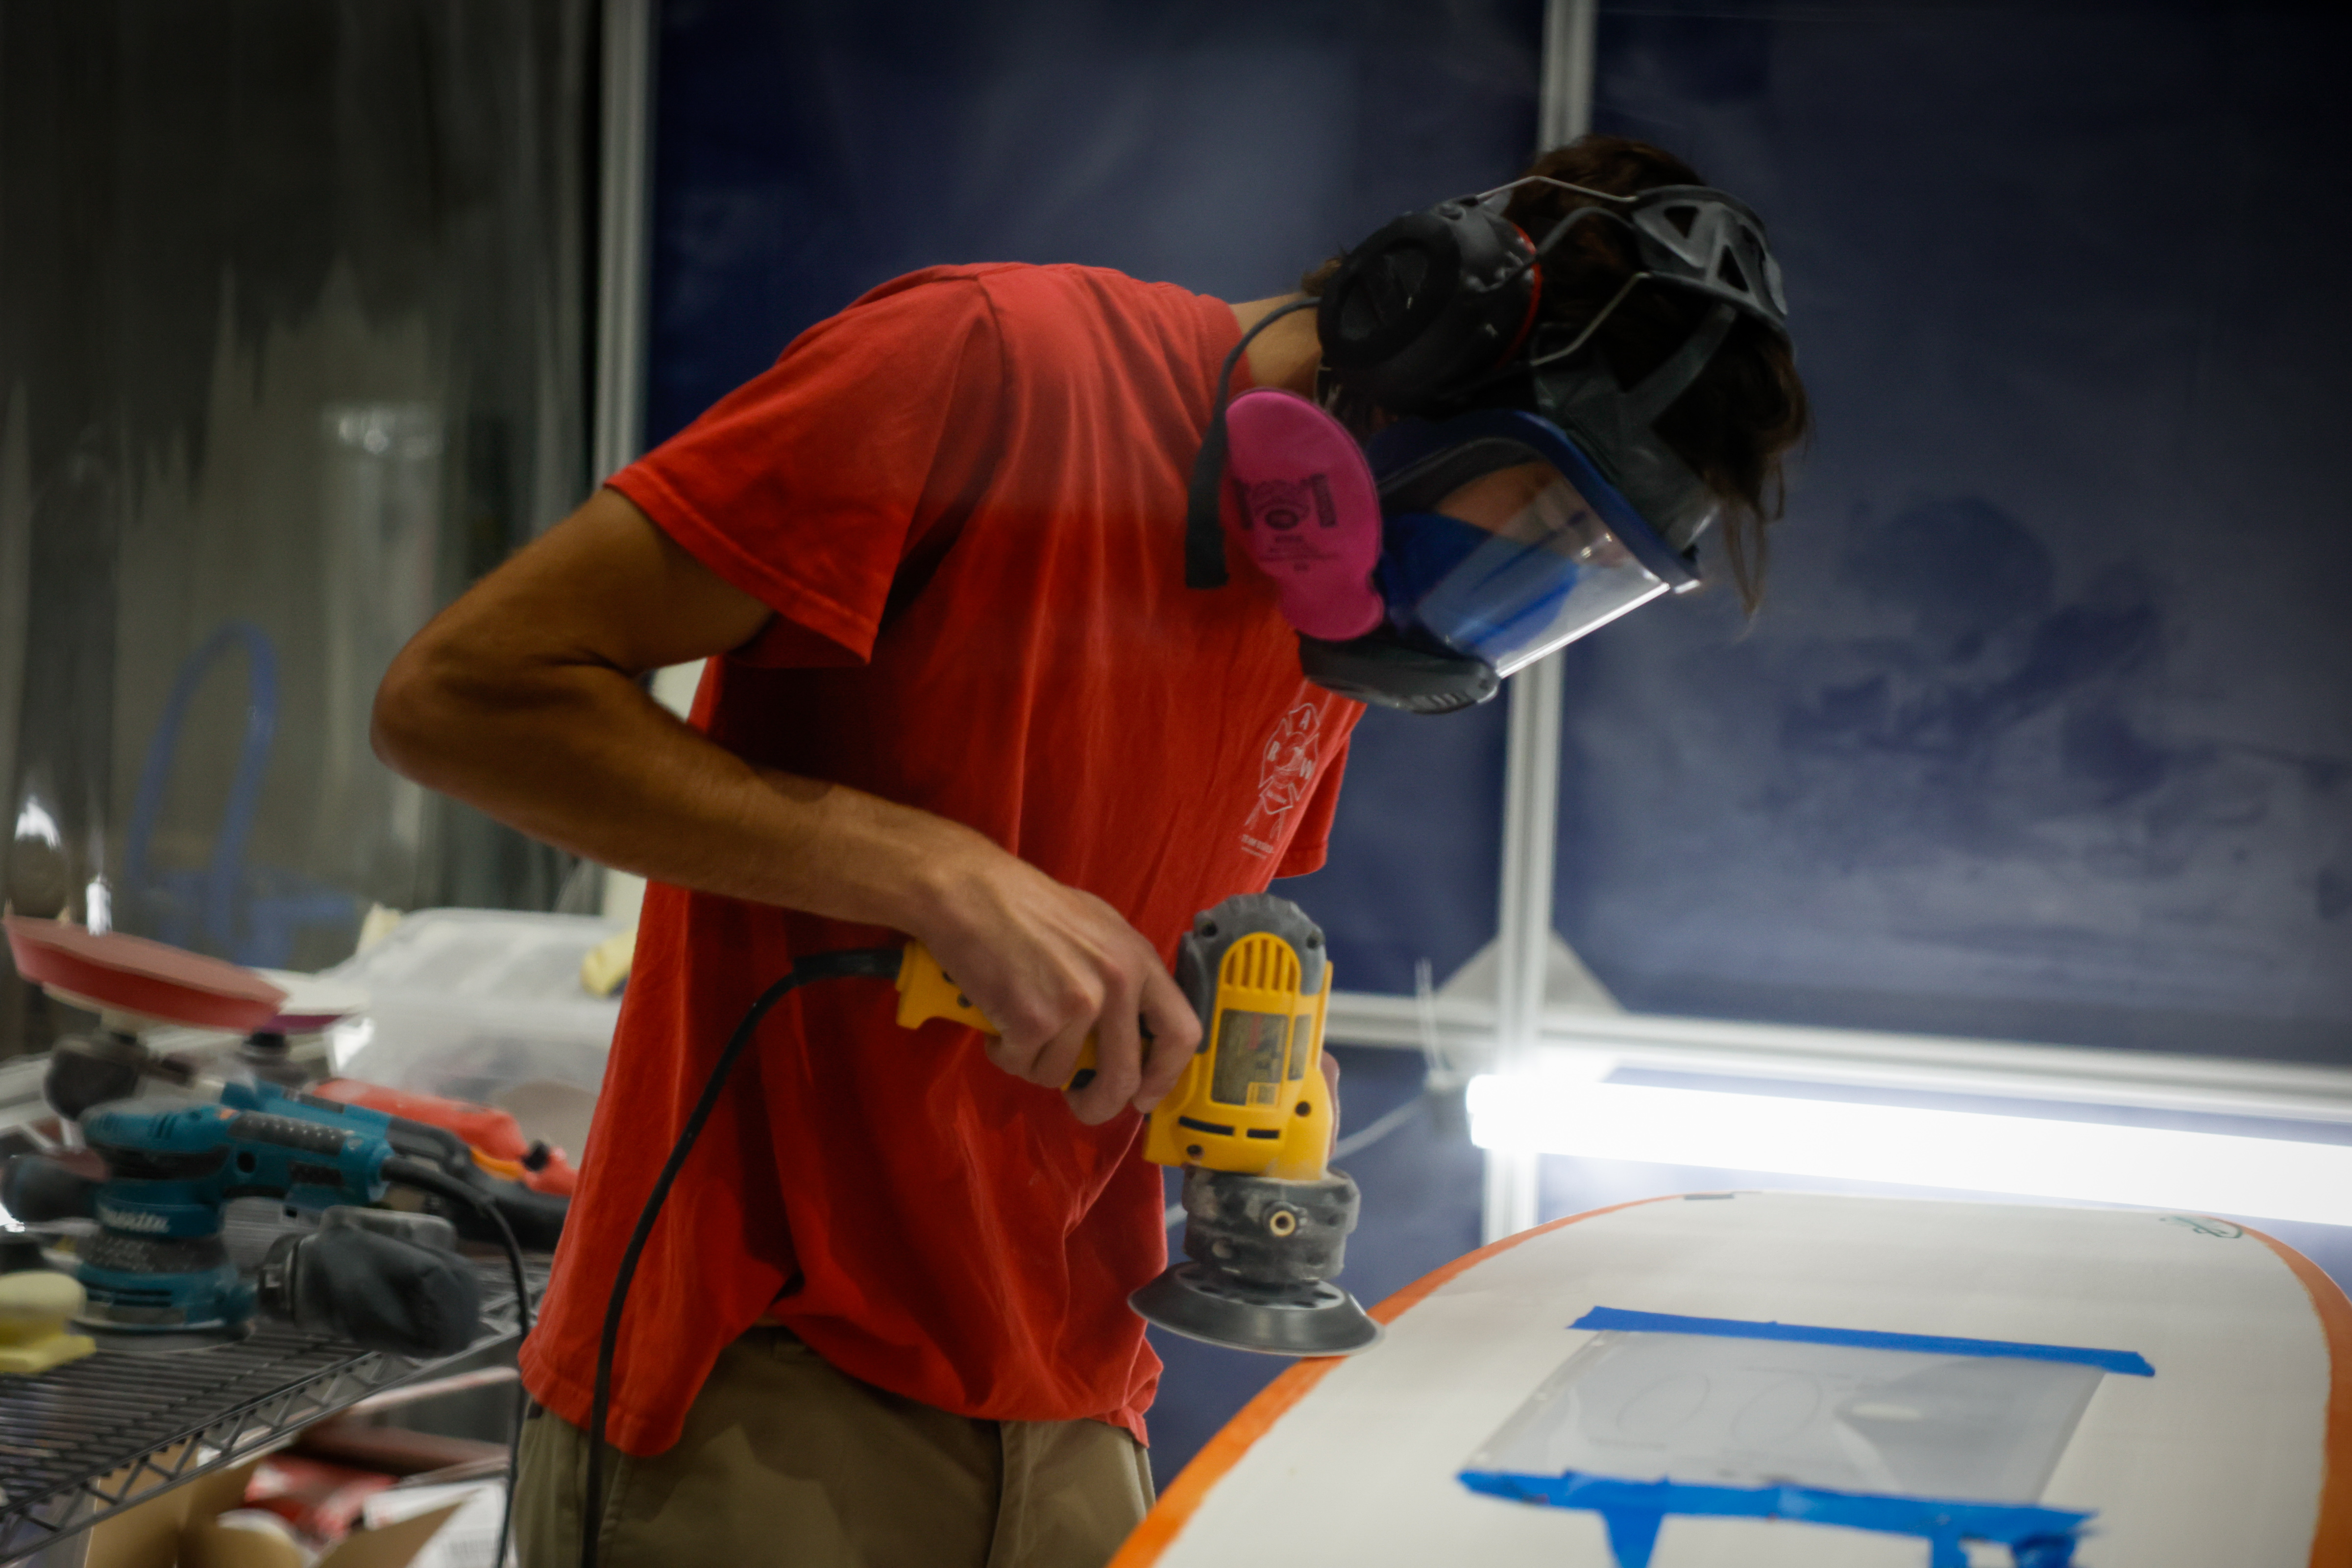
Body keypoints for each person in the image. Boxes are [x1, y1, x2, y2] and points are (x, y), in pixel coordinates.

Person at [370, 134, 1808, 1568]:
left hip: (1081, 1407)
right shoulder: (984, 366)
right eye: (1544, 521)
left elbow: (1167, 917)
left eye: (1577, 578)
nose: (1514, 594)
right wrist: (934, 871)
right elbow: (462, 698)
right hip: (766, 1386)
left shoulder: (1328, 597)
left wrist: (1234, 1060)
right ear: (1425, 335)